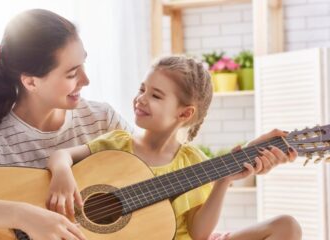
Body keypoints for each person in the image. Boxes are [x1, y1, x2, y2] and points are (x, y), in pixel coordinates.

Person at [46, 56, 302, 240]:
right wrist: (62, 174)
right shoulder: (116, 144)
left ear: (185, 113)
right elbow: (61, 156)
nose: (141, 99)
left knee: (287, 226)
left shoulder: (193, 161)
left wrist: (223, 181)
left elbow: (199, 234)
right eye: (142, 89)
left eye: (156, 96)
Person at [0, 9, 133, 240]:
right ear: (30, 82)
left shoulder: (103, 119)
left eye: (83, 64)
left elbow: (156, 167)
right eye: (72, 73)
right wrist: (22, 215)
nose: (86, 80)